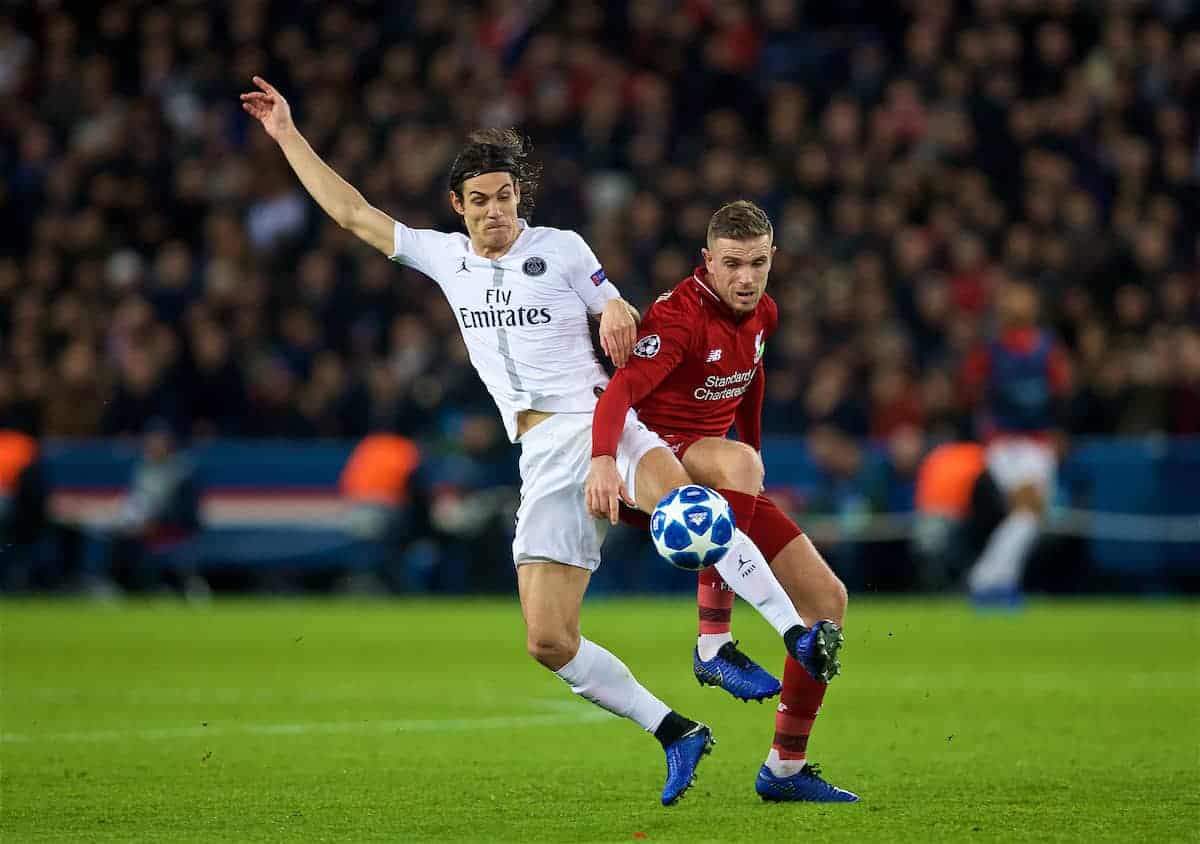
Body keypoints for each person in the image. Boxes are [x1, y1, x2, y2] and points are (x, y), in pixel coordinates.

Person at [242, 79, 830, 805]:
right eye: (481, 199)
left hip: (596, 422)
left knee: (688, 509)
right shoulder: (443, 258)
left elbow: (608, 296)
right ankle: (676, 731)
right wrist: (287, 134)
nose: (496, 210)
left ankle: (783, 636)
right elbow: (351, 211)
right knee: (548, 640)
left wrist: (615, 305)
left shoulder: (560, 248)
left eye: (506, 195)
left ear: (521, 197)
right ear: (458, 206)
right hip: (538, 456)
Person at [587, 201, 858, 802]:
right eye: (732, 263)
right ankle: (713, 643)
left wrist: (757, 462)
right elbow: (620, 394)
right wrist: (604, 459)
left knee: (828, 603)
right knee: (737, 461)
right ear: (707, 261)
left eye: (757, 263)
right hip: (658, 473)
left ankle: (785, 768)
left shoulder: (764, 314)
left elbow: (752, 379)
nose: (745, 277)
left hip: (727, 478)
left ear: (772, 260)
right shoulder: (679, 315)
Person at [960, 280, 1070, 606]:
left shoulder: (1048, 349)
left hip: (1039, 442)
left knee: (1029, 515)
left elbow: (1062, 395)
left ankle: (991, 580)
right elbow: (972, 392)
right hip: (1006, 443)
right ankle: (989, 580)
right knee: (1029, 508)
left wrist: (1060, 432)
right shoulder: (991, 350)